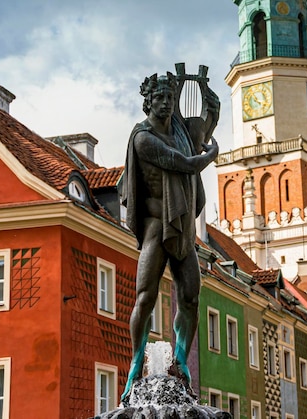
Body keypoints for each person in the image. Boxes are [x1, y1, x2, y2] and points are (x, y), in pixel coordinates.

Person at [118, 72, 219, 402]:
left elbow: (206, 122)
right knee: (145, 297)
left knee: (191, 296)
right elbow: (182, 163)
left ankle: (180, 360)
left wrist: (209, 101)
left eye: (169, 98)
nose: (165, 104)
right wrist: (210, 156)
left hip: (184, 227)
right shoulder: (143, 138)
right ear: (149, 101)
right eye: (159, 98)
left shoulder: (180, 131)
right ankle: (135, 360)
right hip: (156, 225)